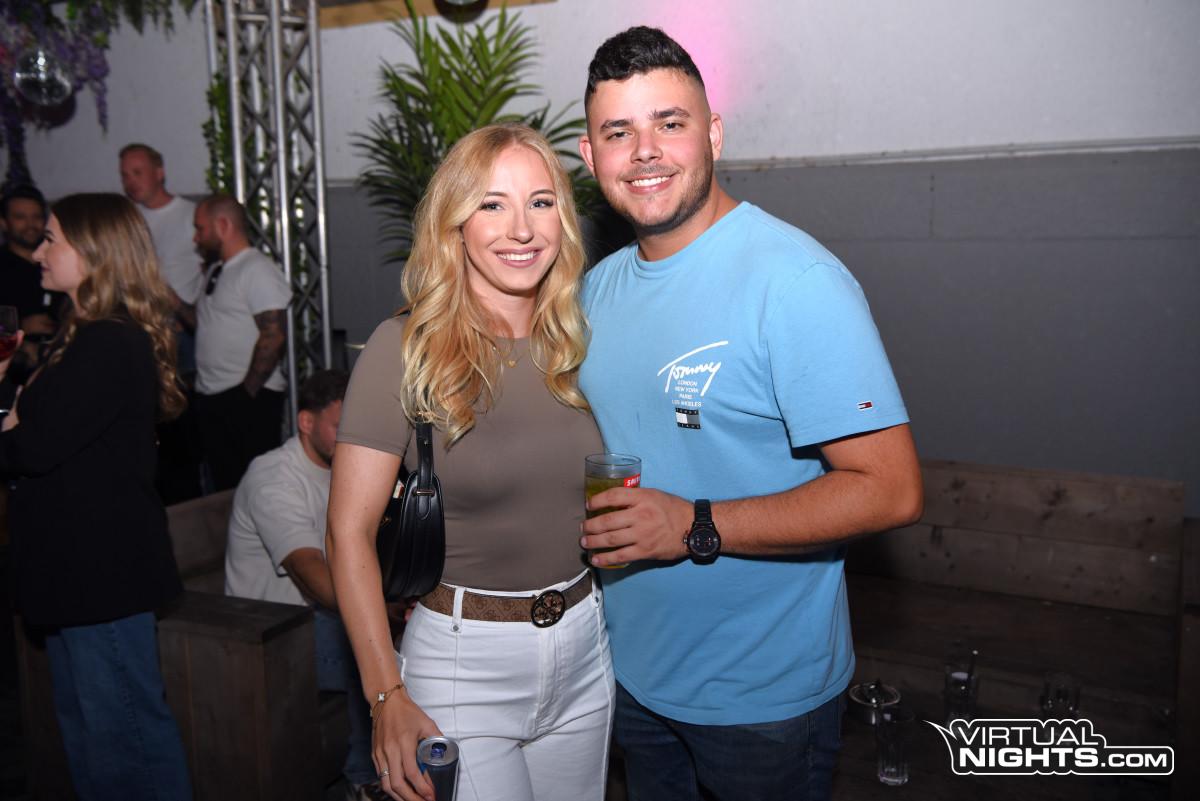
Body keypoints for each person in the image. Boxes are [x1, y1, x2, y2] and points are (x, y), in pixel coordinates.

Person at [575, 27, 924, 801]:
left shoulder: (795, 281)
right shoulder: (596, 292)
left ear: (713, 134)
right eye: (618, 132)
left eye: (670, 122)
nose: (645, 150)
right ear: (590, 154)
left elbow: (891, 489)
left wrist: (694, 524)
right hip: (630, 677)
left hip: (763, 701)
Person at [327, 123, 612, 801]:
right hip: (464, 662)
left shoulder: (582, 341)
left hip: (585, 646)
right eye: (492, 204)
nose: (522, 229)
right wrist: (385, 694)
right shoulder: (405, 348)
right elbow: (346, 533)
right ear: (454, 223)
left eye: (541, 202)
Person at [0, 193, 192, 799]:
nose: (39, 252)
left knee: (125, 742)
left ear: (93, 253)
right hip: (75, 568)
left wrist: (15, 426)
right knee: (93, 738)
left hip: (100, 571)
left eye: (51, 238)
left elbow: (32, 447)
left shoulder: (107, 342)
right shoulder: (80, 336)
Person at [224, 369, 381, 800]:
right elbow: (312, 576)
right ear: (306, 422)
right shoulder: (274, 477)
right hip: (266, 632)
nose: (350, 437)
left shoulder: (342, 467)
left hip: (314, 619)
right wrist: (378, 610)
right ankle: (364, 777)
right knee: (365, 643)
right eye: (340, 426)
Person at [190, 193, 290, 491]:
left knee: (252, 490)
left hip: (246, 398)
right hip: (214, 395)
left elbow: (274, 335)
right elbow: (207, 324)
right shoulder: (216, 269)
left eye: (200, 228)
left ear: (223, 225)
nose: (196, 237)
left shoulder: (256, 269)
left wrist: (245, 394)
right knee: (224, 488)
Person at [119, 143, 206, 313]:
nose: (131, 182)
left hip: (180, 318)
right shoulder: (128, 219)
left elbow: (211, 269)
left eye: (137, 173)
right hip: (140, 316)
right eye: (125, 176)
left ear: (159, 173)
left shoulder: (192, 215)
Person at [0, 184, 65, 369]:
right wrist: (21, 326)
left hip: (59, 362)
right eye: (20, 217)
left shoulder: (60, 261)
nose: (31, 225)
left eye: (37, 217)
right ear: (3, 222)